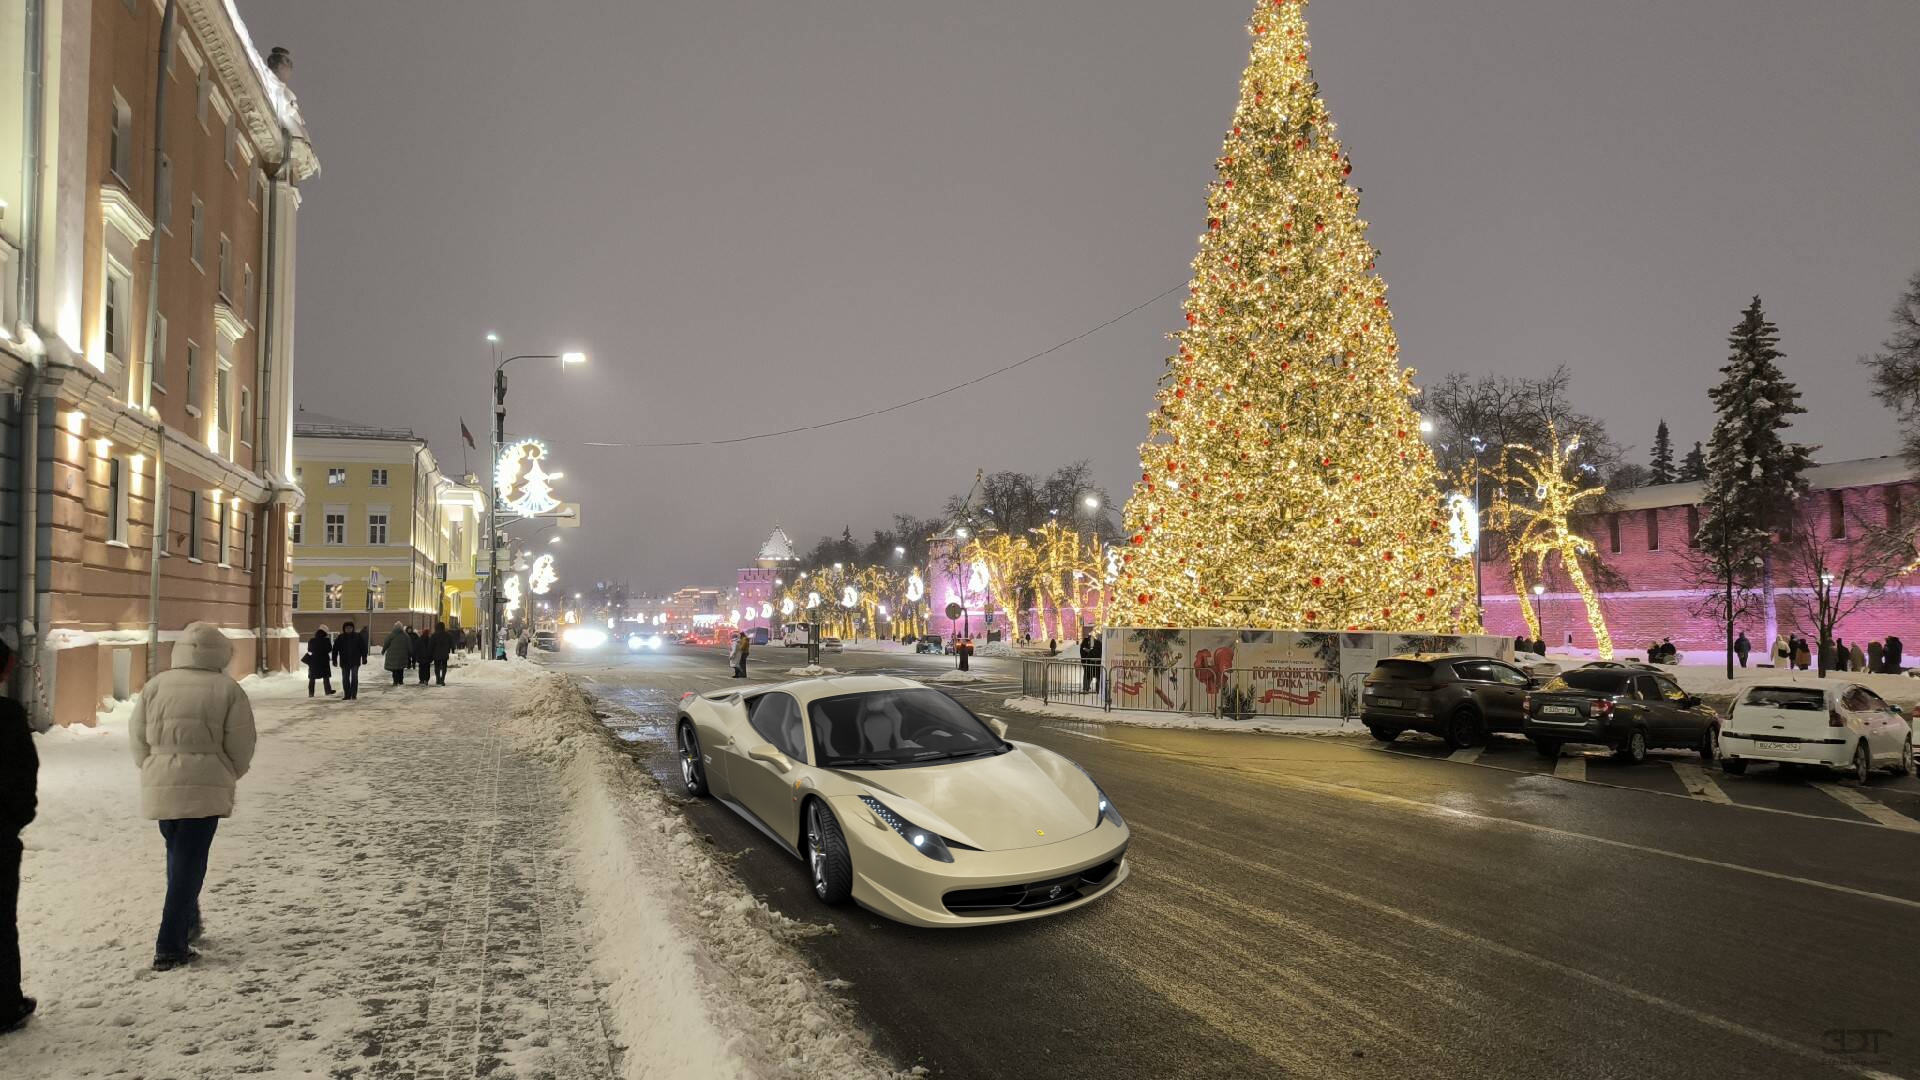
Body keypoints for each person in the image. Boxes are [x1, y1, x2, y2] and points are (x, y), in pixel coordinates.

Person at [129, 622, 257, 971]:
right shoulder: (227, 689)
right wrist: (227, 771)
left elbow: (138, 736)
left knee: (177, 856)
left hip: (161, 781)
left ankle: (187, 922)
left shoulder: (156, 686)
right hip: (205, 785)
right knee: (189, 862)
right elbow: (241, 744)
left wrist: (153, 766)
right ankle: (170, 945)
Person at [1, 638, 40, 1032]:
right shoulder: (8, 716)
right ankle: (4, 1004)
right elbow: (22, 776)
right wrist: (14, 820)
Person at [333, 620, 366, 701]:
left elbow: (363, 648)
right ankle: (347, 695)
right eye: (347, 628)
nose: (348, 629)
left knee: (354, 678)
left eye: (350, 628)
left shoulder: (357, 636)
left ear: (353, 628)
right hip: (344, 662)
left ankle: (354, 694)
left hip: (355, 661)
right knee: (345, 678)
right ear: (344, 629)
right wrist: (334, 659)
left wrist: (364, 658)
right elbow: (335, 649)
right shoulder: (340, 638)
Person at [302, 626, 334, 697]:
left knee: (312, 678)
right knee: (325, 677)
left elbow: (309, 650)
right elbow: (329, 649)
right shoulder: (326, 640)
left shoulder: (312, 640)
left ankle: (311, 693)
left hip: (314, 661)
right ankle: (328, 691)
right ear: (325, 633)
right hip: (324, 661)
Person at [383, 622, 412, 686]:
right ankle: (400, 681)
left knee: (395, 669)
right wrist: (410, 653)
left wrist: (383, 650)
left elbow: (386, 643)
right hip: (403, 655)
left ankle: (395, 681)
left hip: (392, 655)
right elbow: (409, 645)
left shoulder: (391, 635)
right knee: (401, 669)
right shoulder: (405, 635)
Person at [429, 622, 453, 686]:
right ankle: (442, 680)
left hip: (436, 654)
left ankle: (438, 679)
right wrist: (448, 649)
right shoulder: (448, 635)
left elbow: (431, 645)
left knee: (437, 667)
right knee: (444, 667)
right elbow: (451, 644)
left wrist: (430, 652)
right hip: (445, 654)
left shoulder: (434, 635)